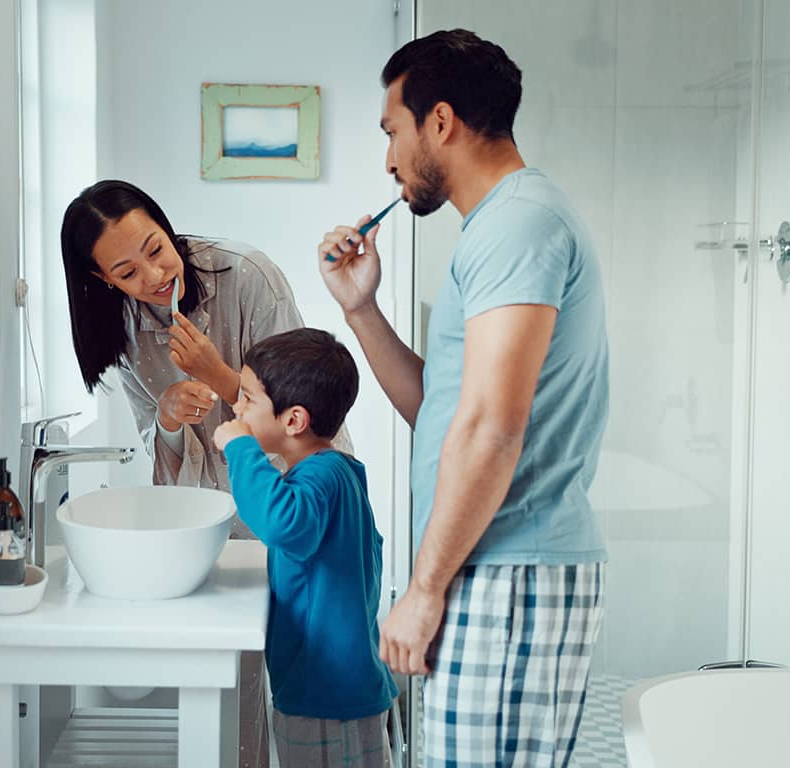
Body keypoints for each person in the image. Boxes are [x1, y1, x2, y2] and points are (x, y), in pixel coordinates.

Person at [316, 29, 609, 768]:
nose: (388, 160)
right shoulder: (499, 227)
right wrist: (361, 310)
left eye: (392, 131)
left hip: (508, 567)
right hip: (491, 564)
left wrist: (423, 588)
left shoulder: (518, 223)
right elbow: (442, 413)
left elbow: (490, 430)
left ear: (439, 122)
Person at [61, 179, 331, 768]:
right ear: (104, 280)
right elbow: (156, 454)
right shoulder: (124, 323)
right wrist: (166, 418)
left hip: (291, 506)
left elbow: (305, 416)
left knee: (308, 693)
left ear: (165, 223)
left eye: (156, 249)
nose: (153, 277)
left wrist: (222, 376)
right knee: (232, 694)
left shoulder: (249, 276)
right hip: (212, 527)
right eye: (127, 273)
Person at [213, 328, 399, 768]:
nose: (237, 408)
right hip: (333, 689)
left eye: (248, 399)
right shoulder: (334, 472)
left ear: (293, 420)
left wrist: (240, 446)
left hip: (328, 696)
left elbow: (282, 524)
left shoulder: (322, 477)